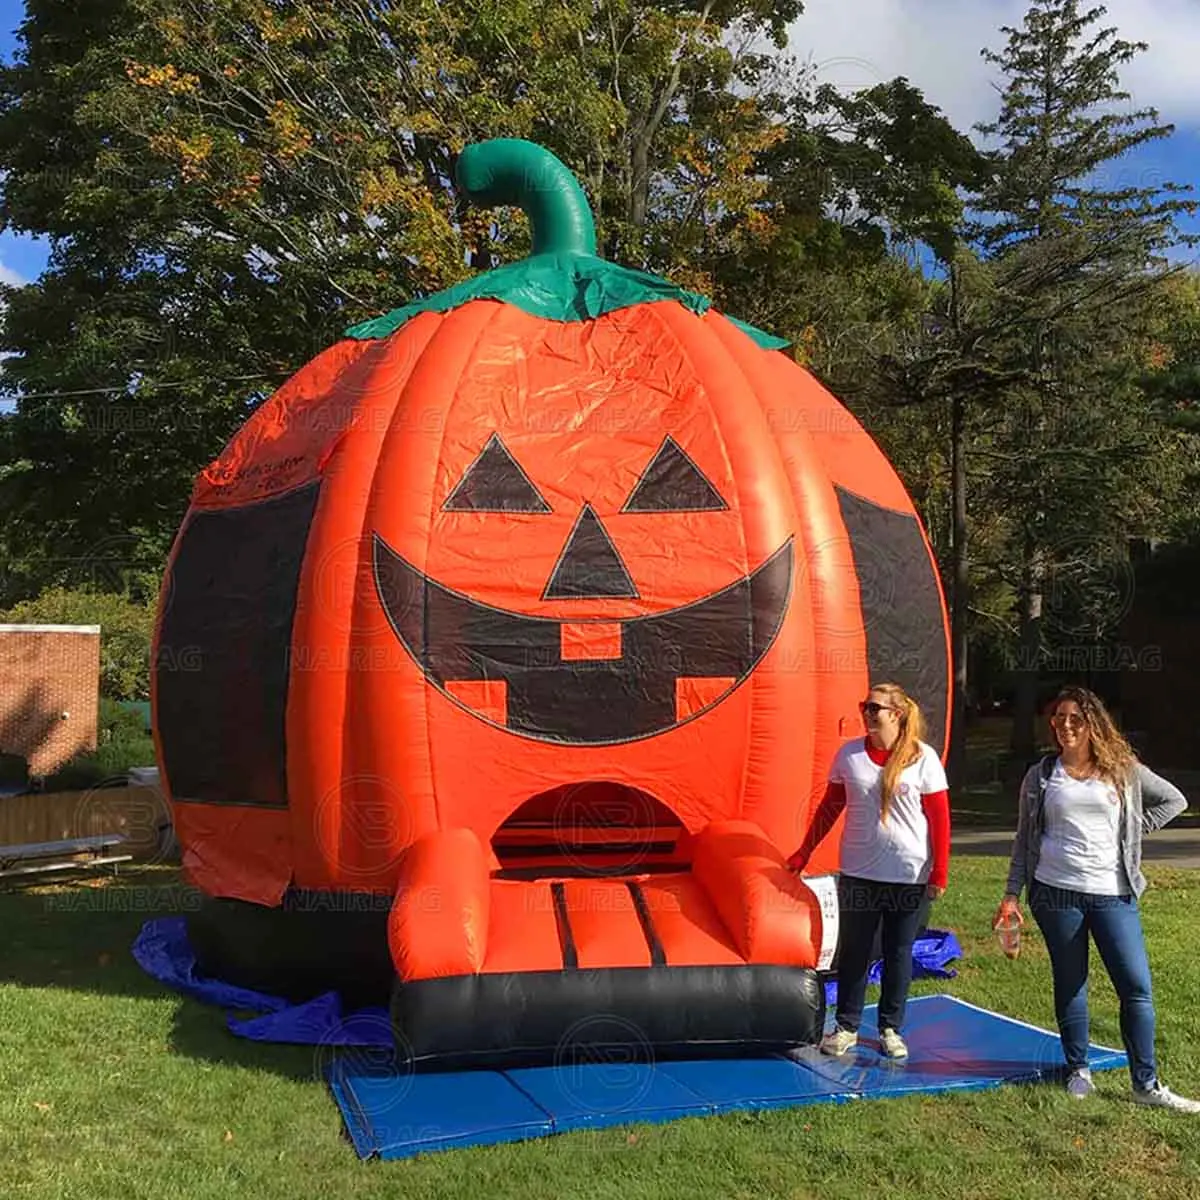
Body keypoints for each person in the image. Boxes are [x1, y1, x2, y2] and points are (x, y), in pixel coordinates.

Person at [994, 685, 1200, 1111]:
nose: (1066, 726)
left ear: (1093, 724)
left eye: (1076, 719)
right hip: (1055, 893)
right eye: (1059, 718)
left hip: (1113, 894)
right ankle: (1078, 1069)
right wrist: (1011, 895)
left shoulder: (1123, 769)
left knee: (1136, 987)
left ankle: (1146, 1084)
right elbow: (1024, 840)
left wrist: (1130, 830)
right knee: (1072, 983)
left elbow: (1174, 800)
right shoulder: (1041, 775)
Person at [788, 682, 950, 1059]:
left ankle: (891, 1028)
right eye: (865, 706)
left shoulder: (923, 758)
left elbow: (940, 819)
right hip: (858, 873)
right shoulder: (849, 755)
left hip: (908, 875)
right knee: (854, 951)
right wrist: (804, 851)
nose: (867, 713)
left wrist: (939, 872)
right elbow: (830, 808)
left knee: (898, 952)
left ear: (896, 714)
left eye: (875, 708)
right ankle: (846, 1026)